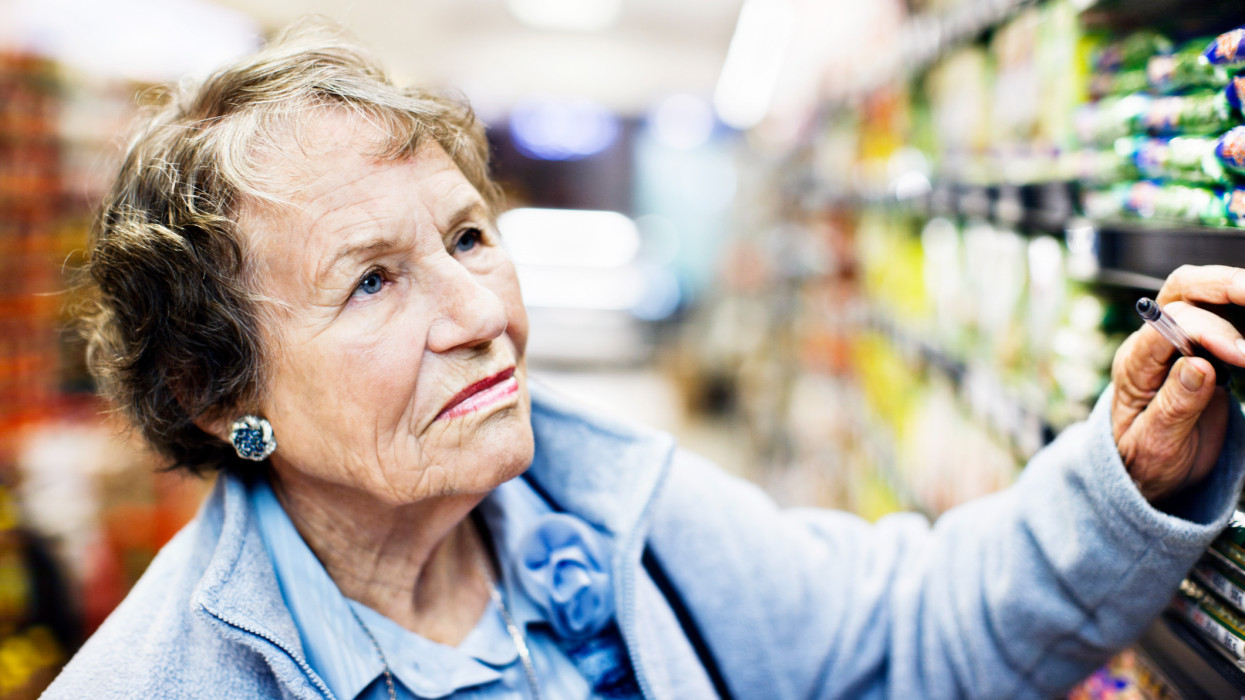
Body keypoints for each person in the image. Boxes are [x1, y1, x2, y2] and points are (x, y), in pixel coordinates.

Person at [42, 19, 1245, 700]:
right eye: (372, 279)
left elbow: (903, 633)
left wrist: (1124, 478)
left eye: (469, 234)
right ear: (219, 392)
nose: (480, 308)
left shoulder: (610, 508)